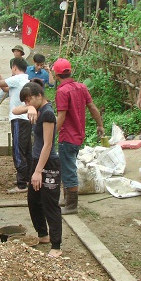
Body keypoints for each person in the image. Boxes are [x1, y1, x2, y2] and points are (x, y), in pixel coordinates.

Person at [12, 82, 63, 257]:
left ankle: (56, 246)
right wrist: (29, 108)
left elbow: (48, 145)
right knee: (33, 200)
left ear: (39, 96)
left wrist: (37, 171)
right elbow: (14, 111)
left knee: (50, 203)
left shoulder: (48, 113)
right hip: (37, 160)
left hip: (48, 164)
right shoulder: (37, 109)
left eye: (29, 100)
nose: (27, 103)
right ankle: (43, 235)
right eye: (25, 101)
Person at [53, 58, 104, 215]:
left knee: (68, 169)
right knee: (67, 167)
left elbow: (61, 116)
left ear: (56, 74)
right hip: (78, 135)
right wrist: (100, 125)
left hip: (67, 136)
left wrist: (51, 134)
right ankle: (67, 199)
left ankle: (72, 205)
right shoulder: (81, 87)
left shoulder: (62, 92)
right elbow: (92, 107)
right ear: (69, 71)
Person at [0, 58, 31, 194]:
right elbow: (6, 88)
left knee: (18, 152)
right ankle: (27, 178)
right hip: (25, 120)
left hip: (19, 119)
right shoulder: (24, 79)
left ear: (14, 67)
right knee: (26, 151)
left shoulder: (17, 79)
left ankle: (21, 185)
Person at [0, 45, 26, 119]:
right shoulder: (12, 61)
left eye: (18, 51)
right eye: (15, 51)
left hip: (15, 83)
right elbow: (5, 88)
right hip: (12, 83)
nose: (16, 53)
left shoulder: (24, 63)